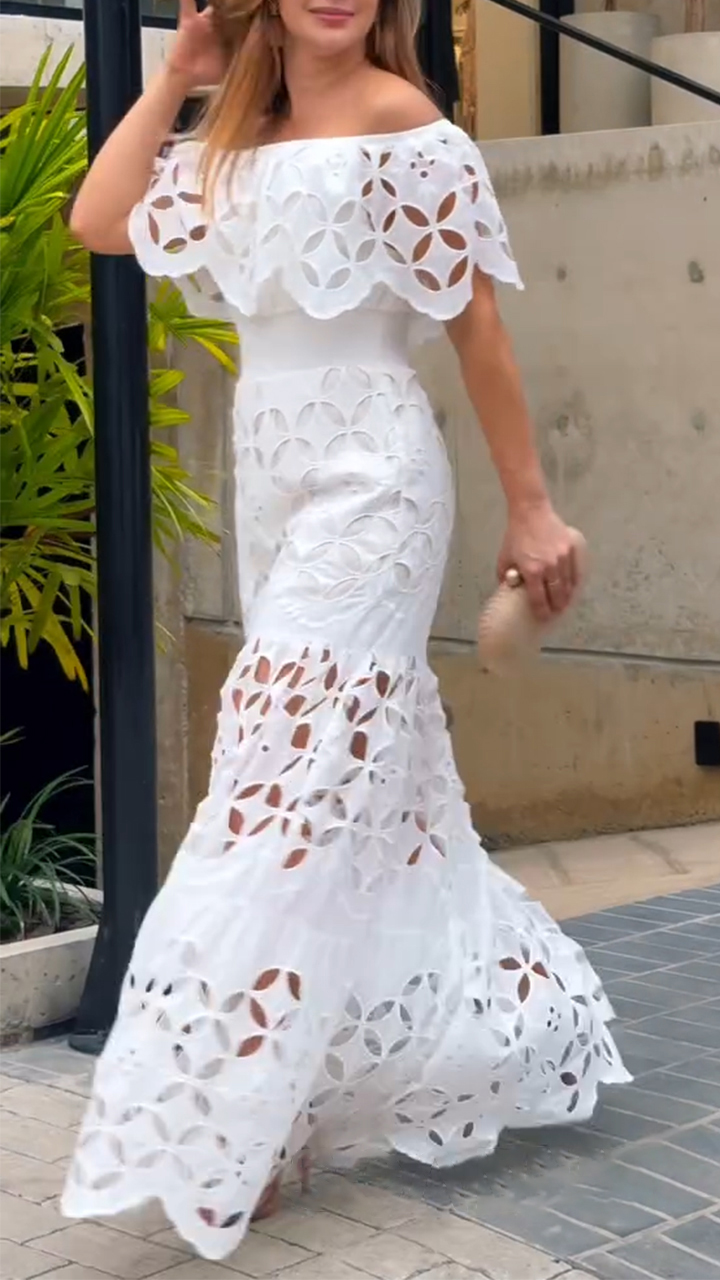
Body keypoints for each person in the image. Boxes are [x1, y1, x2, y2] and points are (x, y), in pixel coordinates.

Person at [63, 0, 628, 1261]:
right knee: (347, 795)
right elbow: (99, 220)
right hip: (272, 483)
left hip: (378, 483)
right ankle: (503, 1011)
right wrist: (177, 74)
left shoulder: (409, 123)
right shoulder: (231, 138)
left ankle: (237, 1110)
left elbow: (478, 327)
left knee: (276, 789)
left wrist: (531, 507)